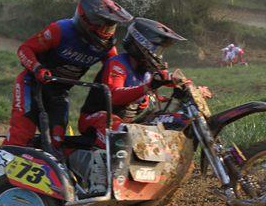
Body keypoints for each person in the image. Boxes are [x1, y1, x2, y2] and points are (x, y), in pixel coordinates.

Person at [0, 0, 132, 206]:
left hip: (59, 93)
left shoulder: (106, 46)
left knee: (57, 141)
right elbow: (24, 49)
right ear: (86, 20)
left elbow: (113, 67)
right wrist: (37, 68)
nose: (108, 31)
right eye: (104, 26)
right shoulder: (59, 30)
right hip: (32, 85)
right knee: (20, 134)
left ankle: (53, 189)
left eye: (111, 27)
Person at [78, 18, 186, 148]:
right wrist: (148, 86)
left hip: (128, 123)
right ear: (141, 46)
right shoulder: (118, 64)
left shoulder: (149, 69)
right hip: (96, 120)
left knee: (162, 124)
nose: (157, 55)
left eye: (160, 51)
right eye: (155, 50)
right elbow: (115, 96)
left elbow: (171, 78)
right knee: (119, 128)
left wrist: (190, 87)